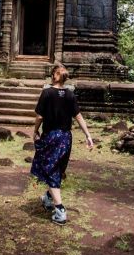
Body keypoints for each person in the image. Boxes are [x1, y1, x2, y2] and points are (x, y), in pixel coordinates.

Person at [30, 64, 94, 225]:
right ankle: (48, 197)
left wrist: (35, 131)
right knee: (57, 168)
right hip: (66, 137)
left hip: (51, 136)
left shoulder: (47, 93)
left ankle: (60, 211)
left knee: (50, 169)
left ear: (53, 76)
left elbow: (39, 117)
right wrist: (88, 135)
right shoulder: (70, 95)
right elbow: (79, 117)